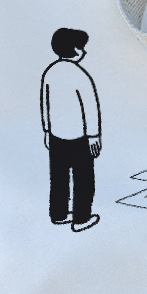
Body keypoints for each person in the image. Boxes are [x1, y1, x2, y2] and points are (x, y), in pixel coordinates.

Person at [40, 28, 101, 231]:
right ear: (73, 49)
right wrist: (93, 135)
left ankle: (59, 214)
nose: (84, 51)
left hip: (56, 136)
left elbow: (45, 103)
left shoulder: (50, 72)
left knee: (59, 177)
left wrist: (47, 130)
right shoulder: (80, 75)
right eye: (81, 47)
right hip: (79, 138)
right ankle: (81, 218)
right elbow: (90, 107)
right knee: (83, 178)